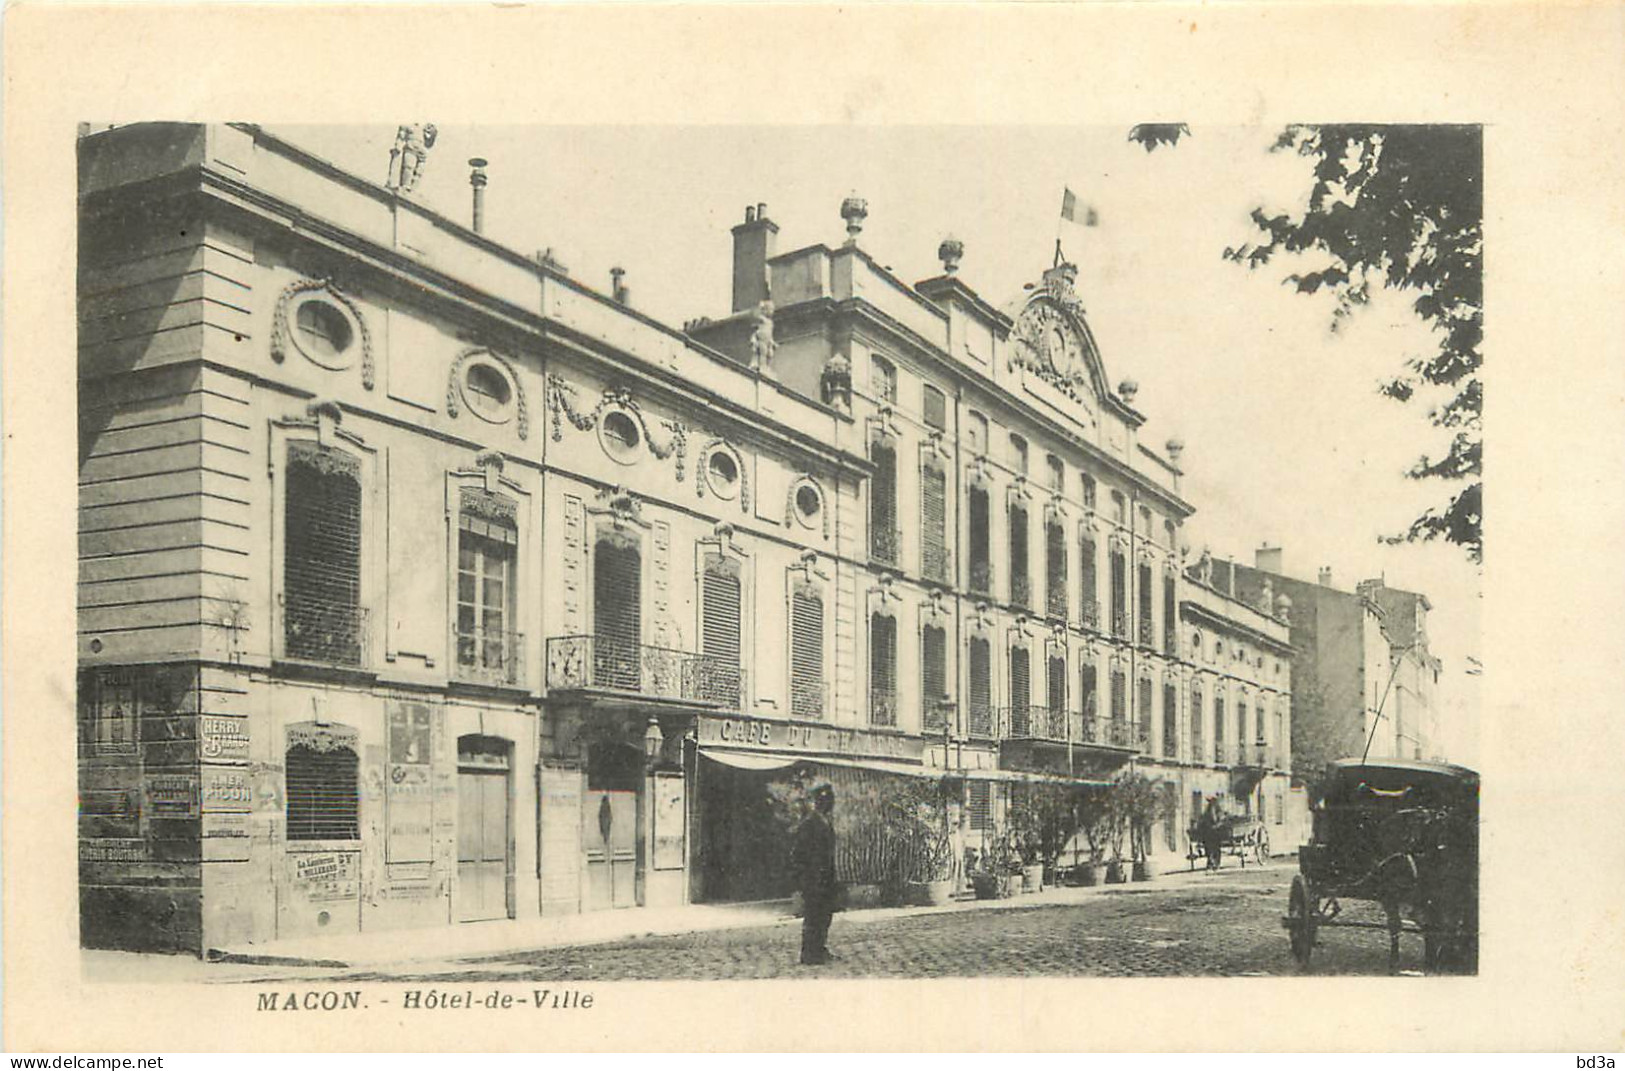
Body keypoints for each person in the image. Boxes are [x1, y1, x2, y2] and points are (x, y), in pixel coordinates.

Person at [792, 784, 839, 965]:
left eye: (830, 801)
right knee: (813, 916)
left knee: (825, 915)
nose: (828, 804)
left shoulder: (825, 822)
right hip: (812, 880)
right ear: (817, 802)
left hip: (825, 878)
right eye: (824, 801)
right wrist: (804, 879)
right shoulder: (809, 824)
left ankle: (819, 948)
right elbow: (798, 854)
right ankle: (809, 953)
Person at [1199, 797, 1224, 871]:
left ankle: (1216, 863)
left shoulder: (1218, 810)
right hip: (1208, 831)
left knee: (1216, 848)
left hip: (1216, 831)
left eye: (1212, 801)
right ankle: (1210, 862)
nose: (1210, 802)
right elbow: (1204, 819)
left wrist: (1217, 825)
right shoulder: (1207, 810)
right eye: (1210, 801)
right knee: (1208, 847)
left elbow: (1220, 819)